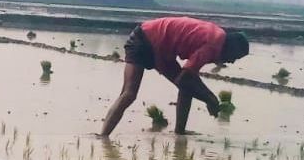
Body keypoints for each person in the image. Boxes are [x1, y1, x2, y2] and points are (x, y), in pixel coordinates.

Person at [100, 16, 250, 137]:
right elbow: (184, 78)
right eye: (235, 56)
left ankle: (180, 131)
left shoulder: (216, 38)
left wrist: (208, 97)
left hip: (163, 50)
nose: (232, 61)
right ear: (231, 47)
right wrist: (210, 99)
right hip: (144, 39)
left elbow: (187, 81)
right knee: (129, 93)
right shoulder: (213, 44)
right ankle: (102, 136)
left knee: (188, 85)